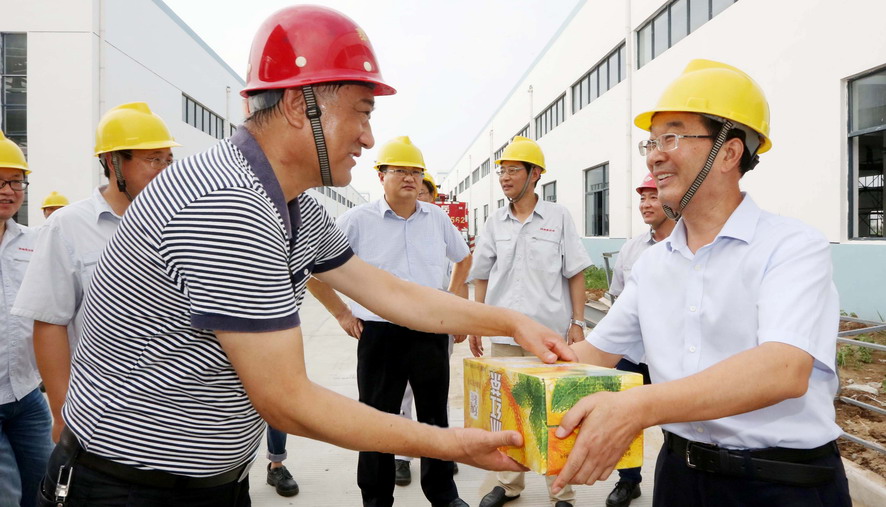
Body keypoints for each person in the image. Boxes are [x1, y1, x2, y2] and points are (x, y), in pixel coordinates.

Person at [37, 7, 574, 506]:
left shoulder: (290, 202)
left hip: (207, 479)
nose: (368, 138)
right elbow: (287, 401)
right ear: (300, 105)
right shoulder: (227, 205)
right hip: (129, 487)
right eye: (361, 113)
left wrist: (510, 322)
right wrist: (452, 443)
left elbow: (389, 292)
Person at [553, 59, 851, 507]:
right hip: (680, 479)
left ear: (728, 153)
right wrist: (528, 363)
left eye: (671, 137)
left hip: (782, 484)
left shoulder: (791, 246)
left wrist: (638, 407)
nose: (654, 155)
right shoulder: (653, 266)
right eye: (652, 141)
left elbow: (783, 369)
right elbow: (594, 355)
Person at [307, 136, 472, 506]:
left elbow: (463, 258)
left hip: (430, 331)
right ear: (381, 175)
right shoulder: (357, 220)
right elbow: (314, 270)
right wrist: (342, 313)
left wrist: (451, 300)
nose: (409, 178)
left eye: (415, 171)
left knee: (434, 417)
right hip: (380, 336)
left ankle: (443, 494)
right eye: (399, 170)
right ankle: (376, 498)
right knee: (375, 423)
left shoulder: (436, 218)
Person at [12, 102, 178, 447]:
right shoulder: (69, 226)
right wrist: (62, 414)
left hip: (173, 411)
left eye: (168, 160)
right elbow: (49, 323)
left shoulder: (181, 223)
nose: (164, 171)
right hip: (100, 416)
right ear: (113, 162)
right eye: (153, 159)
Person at [468, 136, 592, 507]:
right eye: (501, 171)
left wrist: (578, 322)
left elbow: (575, 272)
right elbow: (482, 275)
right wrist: (476, 322)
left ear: (535, 174)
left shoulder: (558, 217)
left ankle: (561, 491)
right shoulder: (495, 222)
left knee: (555, 412)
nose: (504, 178)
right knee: (508, 413)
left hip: (548, 337)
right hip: (505, 335)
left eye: (513, 170)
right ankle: (508, 484)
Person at [603, 173, 674, 507]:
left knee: (676, 423)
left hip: (672, 357)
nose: (646, 204)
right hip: (632, 354)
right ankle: (628, 481)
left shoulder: (693, 245)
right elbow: (617, 299)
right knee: (625, 419)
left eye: (653, 196)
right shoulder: (631, 249)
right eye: (642, 198)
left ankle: (675, 483)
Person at [393, 169, 460, 486]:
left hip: (437, 325)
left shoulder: (441, 229)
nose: (419, 197)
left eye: (424, 192)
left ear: (433, 197)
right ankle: (403, 456)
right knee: (402, 393)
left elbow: (462, 267)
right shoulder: (398, 232)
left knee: (437, 391)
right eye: (416, 192)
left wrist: (456, 310)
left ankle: (440, 450)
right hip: (399, 325)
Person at [0, 130, 52, 507]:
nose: (8, 191)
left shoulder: (34, 241)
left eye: (16, 181)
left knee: (43, 486)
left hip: (27, 394)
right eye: (0, 181)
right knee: (7, 494)